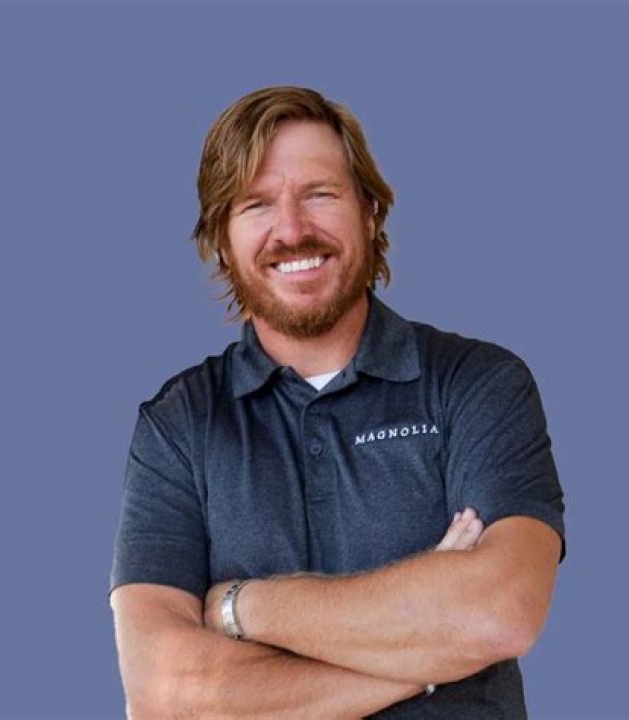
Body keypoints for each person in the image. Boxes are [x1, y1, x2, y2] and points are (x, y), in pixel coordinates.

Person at [109, 86, 566, 719]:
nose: (292, 230)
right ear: (222, 239)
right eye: (256, 204)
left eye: (320, 194)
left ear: (371, 212)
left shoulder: (477, 383)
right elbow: (165, 693)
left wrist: (242, 607)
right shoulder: (178, 425)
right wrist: (430, 653)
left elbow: (501, 612)